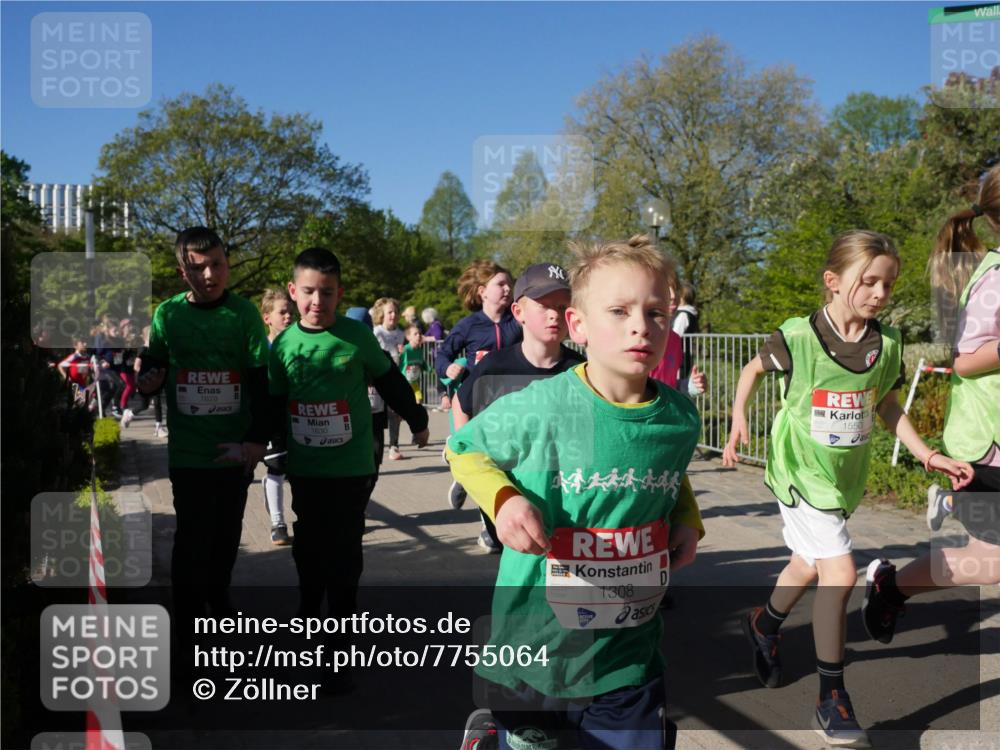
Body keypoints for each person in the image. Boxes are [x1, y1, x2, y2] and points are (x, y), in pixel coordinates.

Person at [448, 236, 705, 750]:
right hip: (536, 645)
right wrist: (504, 500)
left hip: (626, 653)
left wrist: (687, 518)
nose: (641, 326)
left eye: (656, 312)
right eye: (619, 311)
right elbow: (464, 447)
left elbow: (671, 475)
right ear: (579, 325)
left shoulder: (680, 418)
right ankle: (492, 736)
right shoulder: (543, 404)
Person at [722, 229, 974, 748]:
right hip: (799, 470)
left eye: (888, 284)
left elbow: (885, 405)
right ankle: (830, 698)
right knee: (839, 569)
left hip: (842, 477)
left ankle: (764, 624)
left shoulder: (885, 346)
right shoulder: (798, 336)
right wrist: (737, 418)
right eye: (869, 282)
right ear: (833, 282)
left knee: (809, 562)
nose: (880, 294)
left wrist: (926, 452)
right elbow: (750, 370)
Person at [268, 248, 429, 692]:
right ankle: (307, 611)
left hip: (353, 467)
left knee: (343, 551)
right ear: (292, 291)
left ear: (339, 293)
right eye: (308, 292)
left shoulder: (356, 336)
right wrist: (268, 448)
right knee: (310, 546)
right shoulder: (284, 344)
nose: (317, 301)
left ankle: (339, 642)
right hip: (306, 466)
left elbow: (391, 379)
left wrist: (416, 418)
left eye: (327, 292)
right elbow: (273, 403)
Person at [862, 166, 1000, 643]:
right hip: (988, 446)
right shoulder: (993, 279)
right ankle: (890, 587)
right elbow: (963, 360)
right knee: (988, 563)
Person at [137, 226, 271, 635]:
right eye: (198, 269)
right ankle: (189, 625)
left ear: (227, 264)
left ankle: (219, 595)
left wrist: (255, 439)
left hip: (233, 448)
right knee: (192, 536)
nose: (210, 275)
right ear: (184, 273)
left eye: (216, 265)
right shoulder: (168, 313)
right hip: (188, 449)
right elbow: (152, 365)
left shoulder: (245, 314)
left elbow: (261, 381)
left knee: (227, 534)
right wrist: (147, 382)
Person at [451, 262, 584, 553]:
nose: (554, 314)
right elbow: (461, 405)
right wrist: (469, 461)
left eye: (563, 306)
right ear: (519, 312)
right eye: (544, 305)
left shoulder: (582, 371)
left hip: (565, 496)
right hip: (510, 492)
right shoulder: (495, 366)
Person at [435, 260, 522, 509]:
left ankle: (491, 523)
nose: (508, 288)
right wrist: (447, 368)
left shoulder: (517, 322)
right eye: (501, 284)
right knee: (486, 457)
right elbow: (441, 356)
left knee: (506, 461)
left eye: (510, 284)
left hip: (512, 401)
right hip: (479, 403)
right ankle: (463, 469)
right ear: (483, 291)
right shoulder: (469, 325)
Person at [259, 288, 295, 546]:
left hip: (297, 414)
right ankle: (278, 522)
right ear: (267, 317)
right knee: (276, 467)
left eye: (290, 312)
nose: (288, 317)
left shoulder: (300, 343)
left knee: (300, 468)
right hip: (270, 416)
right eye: (282, 312)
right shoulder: (260, 349)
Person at [373, 297, 408, 460]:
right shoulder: (377, 331)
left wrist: (403, 352)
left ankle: (394, 446)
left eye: (395, 312)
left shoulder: (401, 334)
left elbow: (406, 354)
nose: (393, 315)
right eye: (389, 312)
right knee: (378, 413)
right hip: (379, 377)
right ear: (382, 314)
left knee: (395, 412)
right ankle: (374, 445)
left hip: (395, 377)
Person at [421, 307, 449, 411]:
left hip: (439, 355)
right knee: (440, 380)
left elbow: (437, 337)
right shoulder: (435, 325)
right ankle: (443, 402)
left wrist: (425, 339)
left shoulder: (436, 325)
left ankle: (444, 403)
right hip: (437, 356)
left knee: (440, 380)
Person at [671, 282, 699, 379]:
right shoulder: (691, 313)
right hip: (685, 353)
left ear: (682, 297)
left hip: (680, 354)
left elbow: (676, 334)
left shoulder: (683, 314)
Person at [400, 324, 429, 404]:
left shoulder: (419, 350)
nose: (419, 335)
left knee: (418, 400)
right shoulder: (405, 349)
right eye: (415, 334)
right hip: (404, 383)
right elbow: (398, 363)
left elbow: (422, 363)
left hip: (414, 382)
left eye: (419, 333)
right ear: (408, 337)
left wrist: (428, 368)